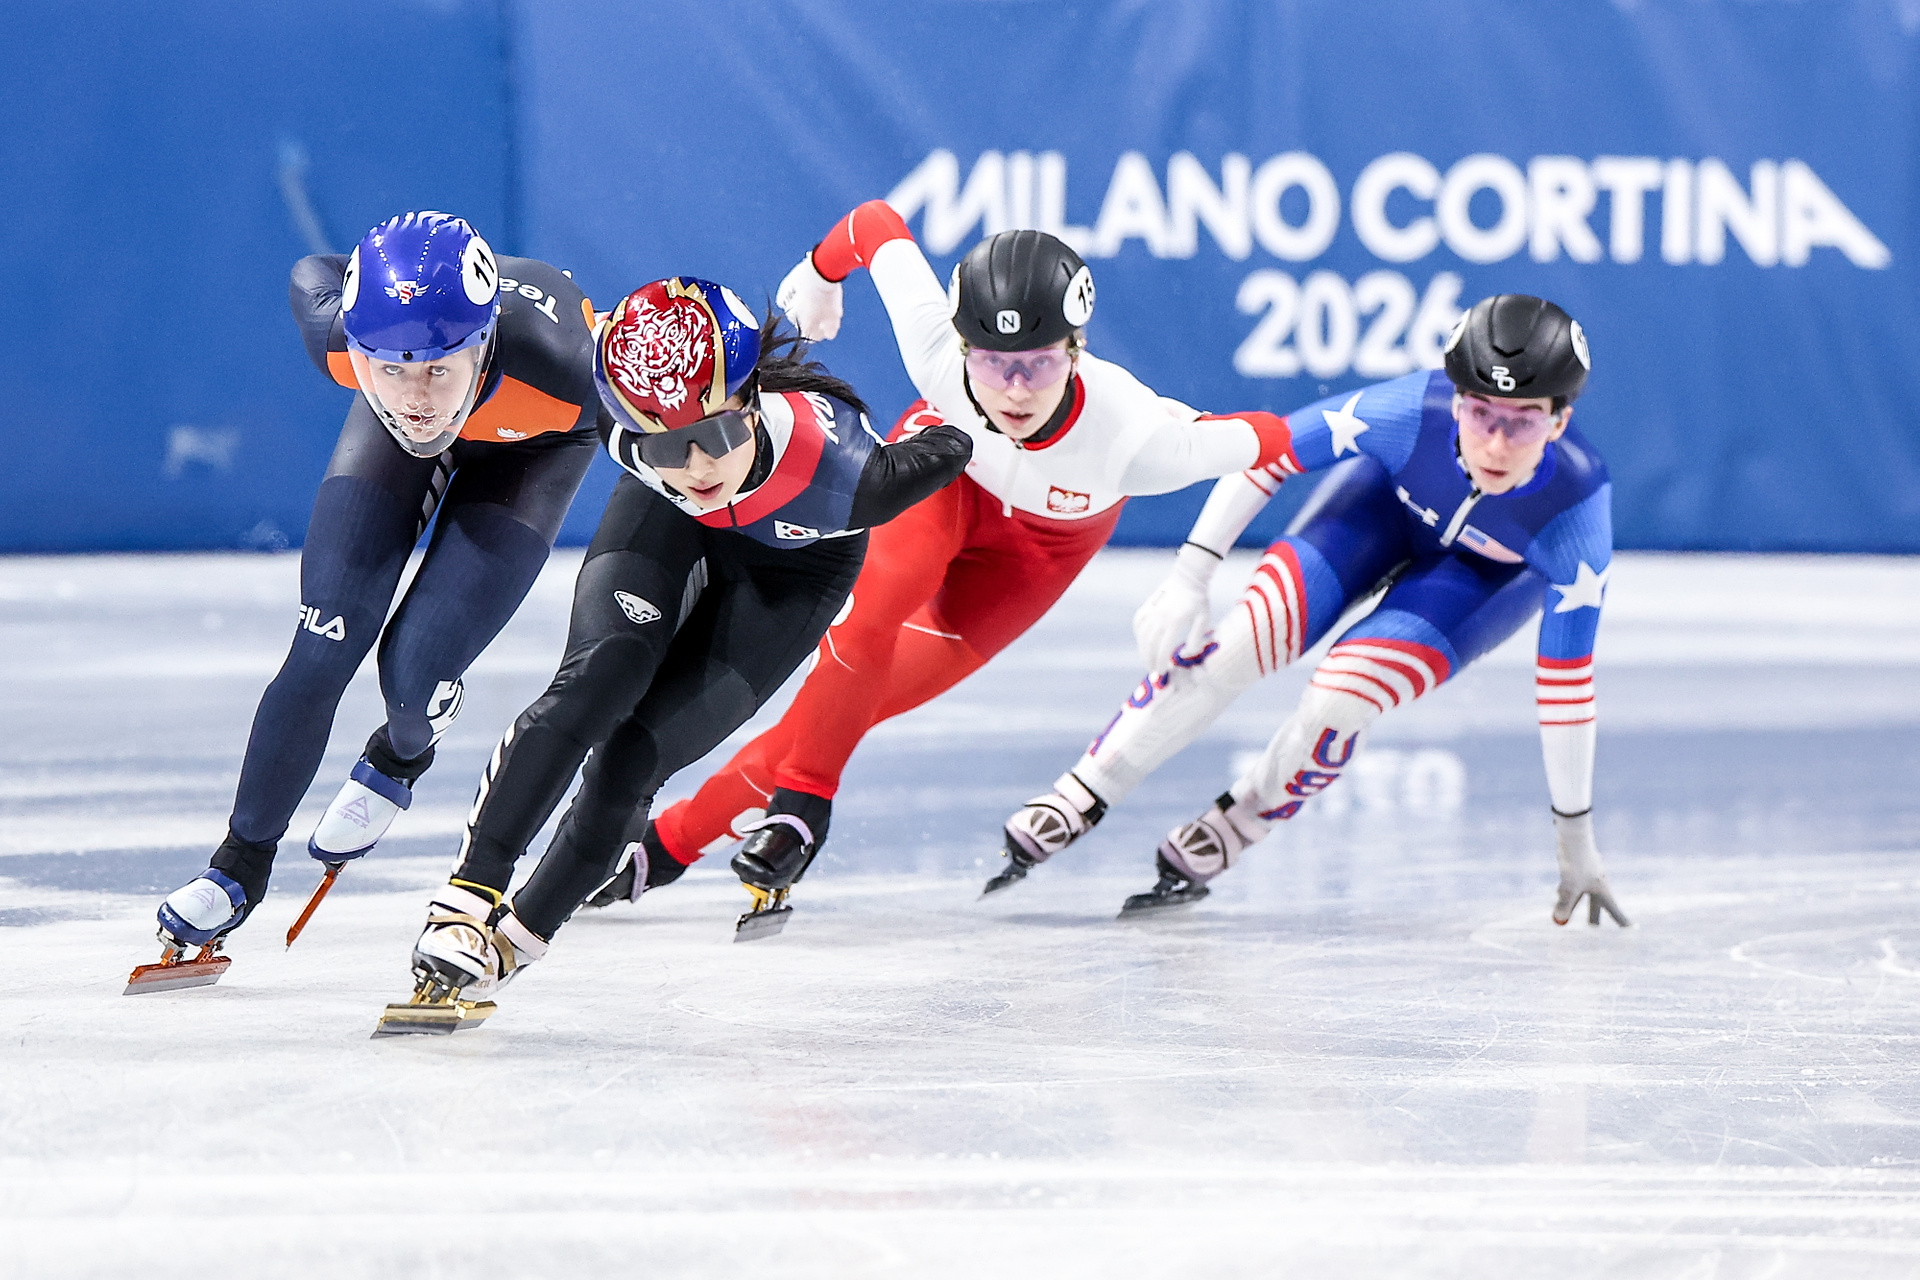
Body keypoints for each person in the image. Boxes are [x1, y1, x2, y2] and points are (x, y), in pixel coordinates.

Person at [588, 199, 1298, 911]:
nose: (1014, 388)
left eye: (1039, 363)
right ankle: (802, 812)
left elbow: (1284, 436)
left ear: (1077, 350)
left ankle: (668, 845)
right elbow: (874, 225)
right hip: (947, 479)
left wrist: (1199, 549)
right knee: (866, 621)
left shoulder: (1138, 439)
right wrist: (819, 272)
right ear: (961, 348)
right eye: (991, 362)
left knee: (839, 713)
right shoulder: (935, 354)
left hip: (1033, 558)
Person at [377, 276, 973, 1031]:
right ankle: (464, 904)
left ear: (751, 396)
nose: (695, 465)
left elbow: (957, 438)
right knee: (598, 679)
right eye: (663, 441)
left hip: (793, 571)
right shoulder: (623, 421)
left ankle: (516, 943)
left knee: (633, 758)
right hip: (665, 525)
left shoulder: (853, 476)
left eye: (718, 433)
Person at [994, 294, 1629, 926]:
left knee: (1342, 697)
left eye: (1521, 421)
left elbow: (1566, 686)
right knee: (1248, 636)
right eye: (1480, 412)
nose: (1494, 442)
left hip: (1481, 579)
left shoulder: (1577, 510)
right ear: (1456, 399)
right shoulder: (1411, 409)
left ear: (1559, 422)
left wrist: (1575, 840)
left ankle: (1241, 820)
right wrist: (1191, 575)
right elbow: (1262, 452)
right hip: (1379, 513)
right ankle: (1083, 790)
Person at [140, 212, 603, 981]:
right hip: (399, 424)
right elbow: (311, 270)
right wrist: (401, 373)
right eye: (387, 367)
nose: (415, 397)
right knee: (321, 648)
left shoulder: (567, 366)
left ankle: (399, 757)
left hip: (534, 446)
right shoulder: (339, 338)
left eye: (436, 370)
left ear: (484, 342)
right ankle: (238, 862)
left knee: (414, 671)